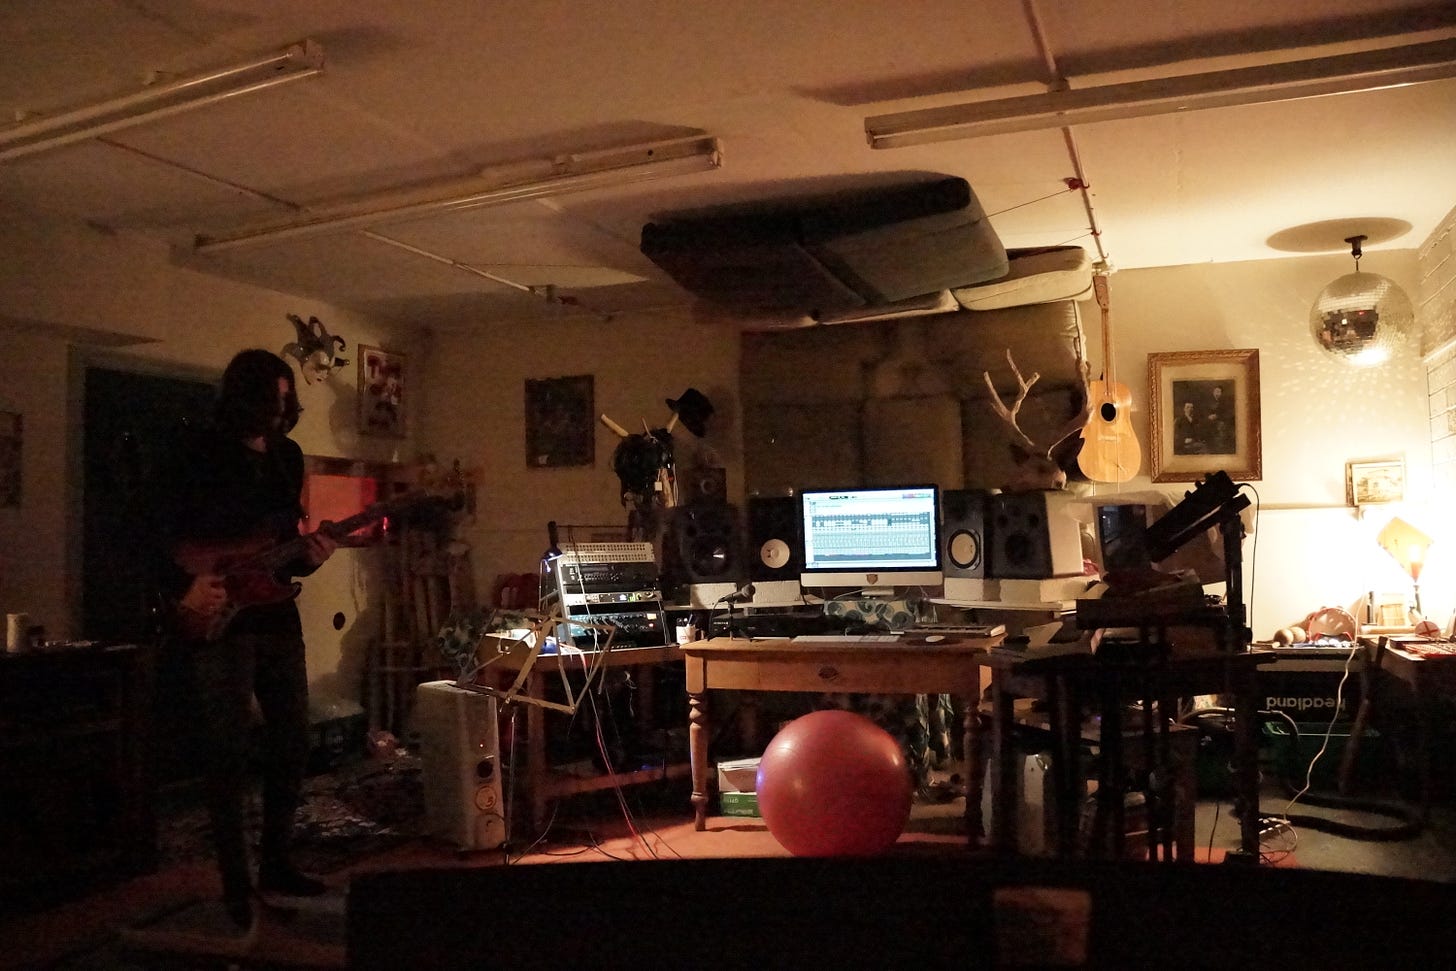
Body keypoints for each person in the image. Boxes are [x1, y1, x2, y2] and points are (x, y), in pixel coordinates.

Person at [152, 349, 338, 930]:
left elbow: (284, 551)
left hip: (276, 616)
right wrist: (184, 587)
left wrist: (311, 557)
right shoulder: (197, 452)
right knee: (226, 750)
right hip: (220, 618)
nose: (282, 412)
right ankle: (236, 884)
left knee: (293, 740)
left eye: (287, 400)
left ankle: (276, 864)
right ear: (243, 399)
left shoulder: (288, 457)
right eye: (272, 401)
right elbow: (156, 533)